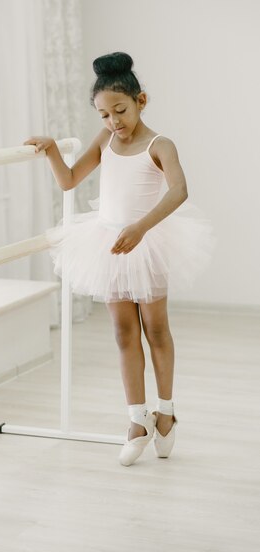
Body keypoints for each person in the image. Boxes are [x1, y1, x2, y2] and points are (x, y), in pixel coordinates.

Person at [24, 52, 214, 466]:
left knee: (156, 330)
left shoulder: (159, 144)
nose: (113, 122)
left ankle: (166, 413)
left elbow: (179, 191)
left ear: (141, 100)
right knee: (123, 335)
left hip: (147, 243)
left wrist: (141, 228)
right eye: (104, 115)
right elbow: (69, 180)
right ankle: (136, 421)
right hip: (109, 245)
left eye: (120, 111)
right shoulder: (105, 141)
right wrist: (53, 149)